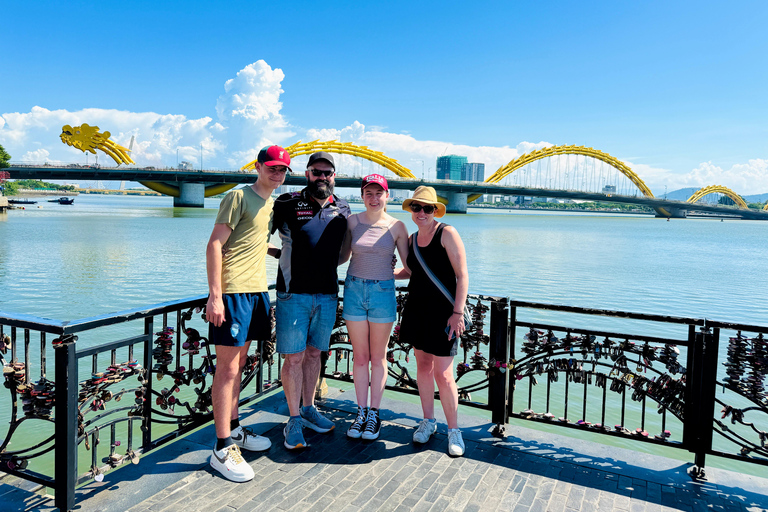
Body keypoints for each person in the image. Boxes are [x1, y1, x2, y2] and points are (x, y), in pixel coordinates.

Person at [205, 145, 291, 482]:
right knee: (226, 369)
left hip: (257, 291)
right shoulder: (238, 197)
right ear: (257, 167)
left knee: (240, 364)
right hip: (233, 293)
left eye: (282, 169)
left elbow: (247, 239)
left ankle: (236, 428)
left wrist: (274, 250)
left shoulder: (271, 203)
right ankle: (222, 447)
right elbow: (215, 244)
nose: (277, 173)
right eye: (271, 167)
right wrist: (215, 297)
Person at [272, 151, 351, 450]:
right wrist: (279, 256)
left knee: (315, 354)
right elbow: (257, 235)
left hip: (328, 294)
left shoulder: (342, 208)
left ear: (334, 177)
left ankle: (308, 409)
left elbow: (345, 252)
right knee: (293, 357)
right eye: (316, 172)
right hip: (293, 294)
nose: (322, 177)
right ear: (307, 174)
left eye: (327, 173)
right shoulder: (287, 202)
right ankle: (293, 420)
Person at [395, 186, 469, 457]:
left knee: (445, 375)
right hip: (417, 311)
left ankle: (454, 430)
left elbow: (462, 276)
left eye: (428, 208)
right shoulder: (413, 239)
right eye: (417, 207)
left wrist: (458, 313)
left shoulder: (447, 233)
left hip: (444, 314)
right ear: (411, 210)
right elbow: (411, 271)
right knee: (423, 368)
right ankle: (428, 421)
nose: (422, 212)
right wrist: (384, 272)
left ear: (435, 211)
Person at [338, 174, 410, 440]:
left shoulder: (397, 226)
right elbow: (342, 255)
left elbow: (410, 266)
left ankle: (374, 415)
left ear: (387, 196)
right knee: (360, 357)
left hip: (382, 293)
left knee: (378, 357)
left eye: (379, 193)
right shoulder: (351, 222)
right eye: (369, 192)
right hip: (354, 289)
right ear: (362, 195)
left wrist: (391, 275)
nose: (374, 197)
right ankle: (360, 412)